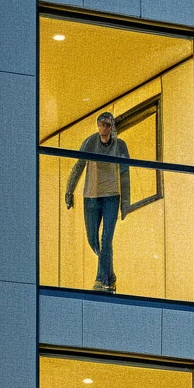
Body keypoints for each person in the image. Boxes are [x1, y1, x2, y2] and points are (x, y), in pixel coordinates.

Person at [63, 110, 131, 293]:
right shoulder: (90, 142)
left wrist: (125, 202)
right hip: (91, 196)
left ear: (112, 126)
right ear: (98, 126)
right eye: (101, 124)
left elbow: (125, 173)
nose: (104, 128)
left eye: (107, 125)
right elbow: (78, 165)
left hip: (111, 196)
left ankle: (103, 279)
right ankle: (109, 273)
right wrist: (69, 190)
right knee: (93, 239)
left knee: (106, 239)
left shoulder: (120, 145)